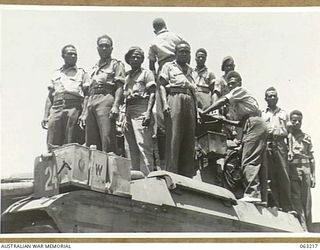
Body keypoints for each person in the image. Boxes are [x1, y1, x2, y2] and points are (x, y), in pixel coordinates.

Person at [200, 71, 268, 203]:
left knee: (248, 159)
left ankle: (253, 193)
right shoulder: (240, 101)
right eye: (229, 84)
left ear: (239, 83)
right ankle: (262, 197)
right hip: (253, 124)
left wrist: (205, 112)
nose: (231, 86)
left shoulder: (239, 90)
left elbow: (223, 100)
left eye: (233, 83)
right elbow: (241, 123)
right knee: (258, 162)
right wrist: (224, 120)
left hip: (254, 125)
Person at [79, 35, 125, 153]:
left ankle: (110, 169)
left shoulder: (116, 64)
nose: (104, 48)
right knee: (91, 141)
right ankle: (95, 169)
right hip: (92, 100)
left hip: (106, 98)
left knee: (107, 137)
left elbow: (119, 86)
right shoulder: (94, 67)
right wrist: (84, 112)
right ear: (97, 48)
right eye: (101, 46)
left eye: (106, 46)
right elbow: (88, 91)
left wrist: (115, 106)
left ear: (111, 49)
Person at [148, 18, 184, 168]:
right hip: (178, 69)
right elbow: (185, 51)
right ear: (166, 26)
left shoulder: (154, 42)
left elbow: (151, 65)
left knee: (163, 117)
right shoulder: (177, 37)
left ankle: (167, 161)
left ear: (155, 30)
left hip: (163, 70)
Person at [158, 41, 197, 178]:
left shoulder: (191, 70)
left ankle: (186, 175)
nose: (185, 54)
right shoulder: (168, 66)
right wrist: (164, 103)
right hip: (175, 97)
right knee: (174, 136)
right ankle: (171, 173)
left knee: (189, 138)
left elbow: (194, 90)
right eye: (182, 51)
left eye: (187, 51)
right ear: (175, 53)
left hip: (190, 99)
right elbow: (161, 85)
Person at [41, 45, 89, 151]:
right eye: (70, 54)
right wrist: (45, 115)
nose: (73, 56)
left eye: (75, 54)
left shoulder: (82, 73)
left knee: (71, 140)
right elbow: (50, 96)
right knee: (52, 139)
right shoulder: (56, 73)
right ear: (63, 56)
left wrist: (84, 113)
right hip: (56, 107)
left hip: (73, 106)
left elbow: (87, 95)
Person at [123, 46, 156, 176]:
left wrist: (148, 112)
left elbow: (153, 93)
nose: (135, 59)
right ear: (128, 59)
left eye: (138, 57)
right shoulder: (126, 76)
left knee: (143, 144)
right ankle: (134, 176)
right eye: (133, 57)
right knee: (129, 146)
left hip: (142, 108)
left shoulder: (146, 73)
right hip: (128, 110)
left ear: (142, 59)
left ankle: (148, 176)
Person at [261, 87, 293, 212]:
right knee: (270, 175)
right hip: (267, 143)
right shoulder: (262, 114)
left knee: (284, 175)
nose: (272, 98)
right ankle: (275, 204)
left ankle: (287, 206)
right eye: (270, 96)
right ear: (266, 99)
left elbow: (290, 134)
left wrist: (290, 150)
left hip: (280, 144)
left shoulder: (284, 113)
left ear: (277, 98)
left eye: (274, 96)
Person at [288, 110, 316, 231]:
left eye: (299, 120)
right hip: (293, 169)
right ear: (291, 121)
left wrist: (313, 176)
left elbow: (312, 158)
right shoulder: (287, 137)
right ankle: (302, 228)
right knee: (296, 198)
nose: (297, 123)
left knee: (307, 201)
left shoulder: (307, 137)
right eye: (294, 120)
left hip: (306, 169)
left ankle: (308, 229)